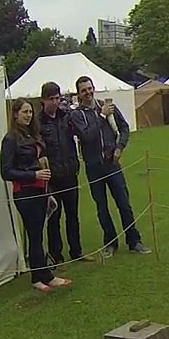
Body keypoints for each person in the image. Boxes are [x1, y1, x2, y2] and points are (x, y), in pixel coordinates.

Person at [71, 75, 151, 257]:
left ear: (94, 88)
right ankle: (110, 243)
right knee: (102, 207)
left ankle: (134, 241)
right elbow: (87, 136)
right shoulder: (77, 115)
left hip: (112, 164)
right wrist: (101, 116)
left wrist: (120, 147)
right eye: (84, 90)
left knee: (124, 203)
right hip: (93, 167)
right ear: (79, 94)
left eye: (90, 88)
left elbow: (124, 128)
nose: (88, 92)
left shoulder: (107, 107)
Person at [0, 99, 72, 293]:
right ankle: (39, 276)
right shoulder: (11, 139)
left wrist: (46, 190)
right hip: (25, 192)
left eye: (30, 112)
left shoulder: (32, 135)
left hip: (40, 190)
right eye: (24, 112)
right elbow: (6, 171)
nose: (28, 115)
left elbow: (39, 162)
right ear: (15, 114)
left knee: (38, 234)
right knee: (34, 234)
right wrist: (33, 175)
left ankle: (43, 274)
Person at [38, 81, 91, 267]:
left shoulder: (66, 117)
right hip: (52, 178)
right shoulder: (38, 123)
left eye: (57, 98)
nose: (54, 102)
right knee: (54, 218)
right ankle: (56, 255)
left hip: (69, 172)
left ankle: (76, 251)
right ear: (43, 100)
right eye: (51, 99)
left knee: (73, 215)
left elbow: (81, 133)